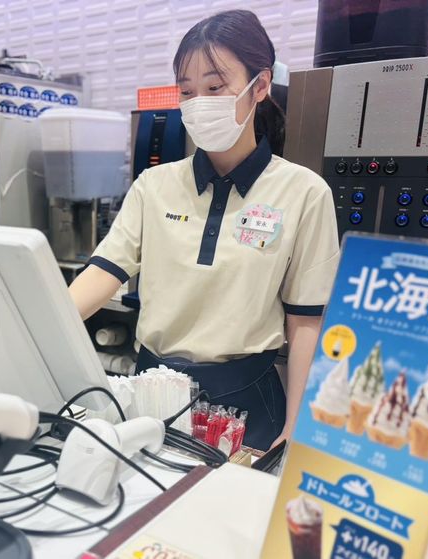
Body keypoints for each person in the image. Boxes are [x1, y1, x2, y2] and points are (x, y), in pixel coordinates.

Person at [69, 10, 340, 451]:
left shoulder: (304, 192)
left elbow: (306, 320)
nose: (199, 103)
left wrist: (298, 427)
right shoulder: (154, 186)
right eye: (187, 91)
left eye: (215, 88)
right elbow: (104, 273)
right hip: (151, 395)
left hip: (246, 405)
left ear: (261, 85)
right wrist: (39, 324)